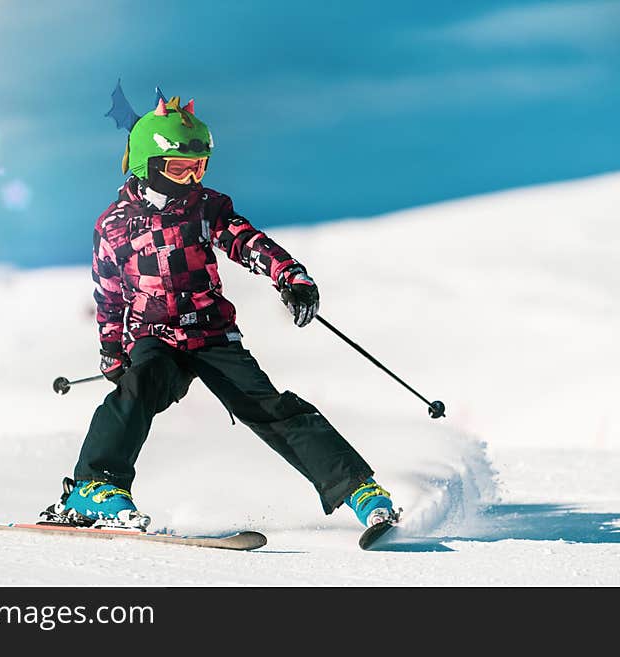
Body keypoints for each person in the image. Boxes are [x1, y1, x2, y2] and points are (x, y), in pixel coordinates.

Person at [41, 91, 396, 531]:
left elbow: (246, 240)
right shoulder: (113, 226)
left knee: (267, 406)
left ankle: (358, 489)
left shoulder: (206, 208)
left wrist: (289, 275)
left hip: (211, 333)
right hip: (156, 337)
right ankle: (95, 486)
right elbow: (109, 295)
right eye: (179, 169)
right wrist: (113, 350)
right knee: (137, 390)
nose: (191, 179)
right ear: (148, 165)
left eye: (199, 168)